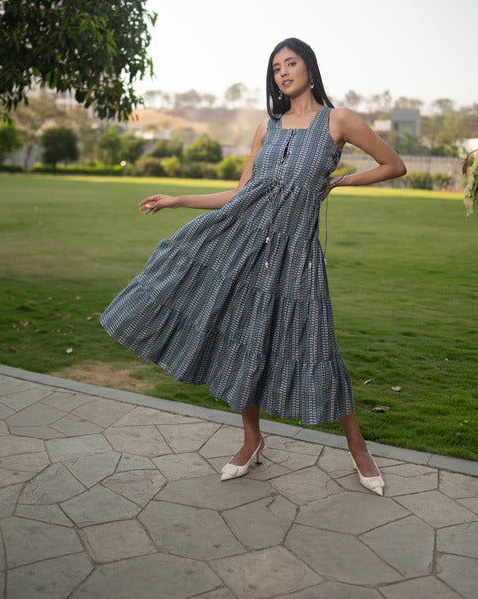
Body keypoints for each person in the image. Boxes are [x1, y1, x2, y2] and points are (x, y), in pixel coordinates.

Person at [100, 37, 406, 495]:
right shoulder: (268, 127)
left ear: (309, 67)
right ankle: (251, 439)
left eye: (291, 63)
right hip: (243, 248)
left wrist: (340, 180)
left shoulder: (337, 120)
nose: (283, 73)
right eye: (276, 67)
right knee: (244, 339)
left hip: (297, 256)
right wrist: (177, 199)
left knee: (319, 346)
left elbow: (393, 164)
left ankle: (359, 451)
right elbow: (239, 194)